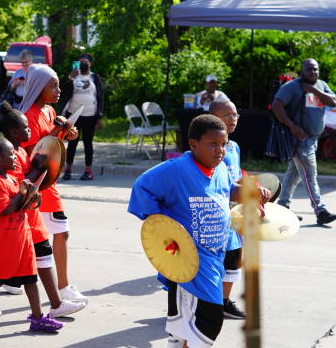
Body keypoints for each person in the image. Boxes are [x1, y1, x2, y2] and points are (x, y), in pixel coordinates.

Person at [128, 114, 270, 348]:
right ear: (193, 144)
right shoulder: (176, 169)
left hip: (214, 259)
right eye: (213, 144)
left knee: (188, 326)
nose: (220, 150)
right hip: (189, 263)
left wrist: (250, 193)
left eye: (223, 144)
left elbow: (227, 190)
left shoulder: (220, 168)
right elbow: (142, 186)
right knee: (209, 321)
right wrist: (161, 226)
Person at [0, 101, 86, 317]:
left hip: (30, 216)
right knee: (0, 265)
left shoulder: (19, 151)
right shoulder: (9, 156)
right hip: (16, 220)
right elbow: (19, 187)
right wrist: (38, 168)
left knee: (40, 258)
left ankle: (54, 306)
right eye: (26, 127)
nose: (30, 130)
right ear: (13, 132)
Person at [0, 130, 64, 333]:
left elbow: (20, 204)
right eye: (10, 155)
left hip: (22, 235)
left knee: (30, 277)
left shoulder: (10, 178)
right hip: (6, 239)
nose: (15, 157)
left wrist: (32, 198)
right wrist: (23, 192)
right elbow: (5, 209)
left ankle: (37, 318)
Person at [19, 64, 88, 305]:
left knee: (30, 236)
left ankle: (9, 280)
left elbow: (51, 143)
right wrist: (56, 133)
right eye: (53, 86)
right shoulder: (27, 116)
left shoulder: (49, 111)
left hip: (48, 182)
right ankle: (63, 287)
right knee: (60, 232)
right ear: (38, 88)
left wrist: (65, 133)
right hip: (37, 184)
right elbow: (31, 151)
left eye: (58, 85)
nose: (59, 90)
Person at [272, 58, 336, 225]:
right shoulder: (291, 87)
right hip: (299, 140)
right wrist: (292, 126)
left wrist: (315, 91)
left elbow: (333, 101)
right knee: (309, 174)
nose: (313, 72)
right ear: (302, 71)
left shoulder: (321, 85)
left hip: (313, 139)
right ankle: (320, 210)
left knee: (294, 175)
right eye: (309, 69)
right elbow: (277, 105)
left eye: (315, 69)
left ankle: (283, 207)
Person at [209, 100, 245, 320]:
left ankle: (224, 302)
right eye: (227, 115)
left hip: (234, 213)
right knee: (213, 261)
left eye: (235, 115)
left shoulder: (235, 147)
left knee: (234, 258)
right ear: (214, 118)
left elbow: (237, 177)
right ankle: (206, 302)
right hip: (216, 215)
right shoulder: (206, 148)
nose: (232, 119)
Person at [60, 53, 105, 181]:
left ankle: (88, 171)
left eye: (85, 62)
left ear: (90, 64)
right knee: (72, 143)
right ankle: (68, 170)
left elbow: (100, 97)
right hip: (74, 115)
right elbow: (64, 92)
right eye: (80, 62)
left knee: (88, 144)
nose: (83, 64)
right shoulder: (74, 76)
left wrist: (99, 116)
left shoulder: (94, 77)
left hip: (90, 116)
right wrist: (70, 78)